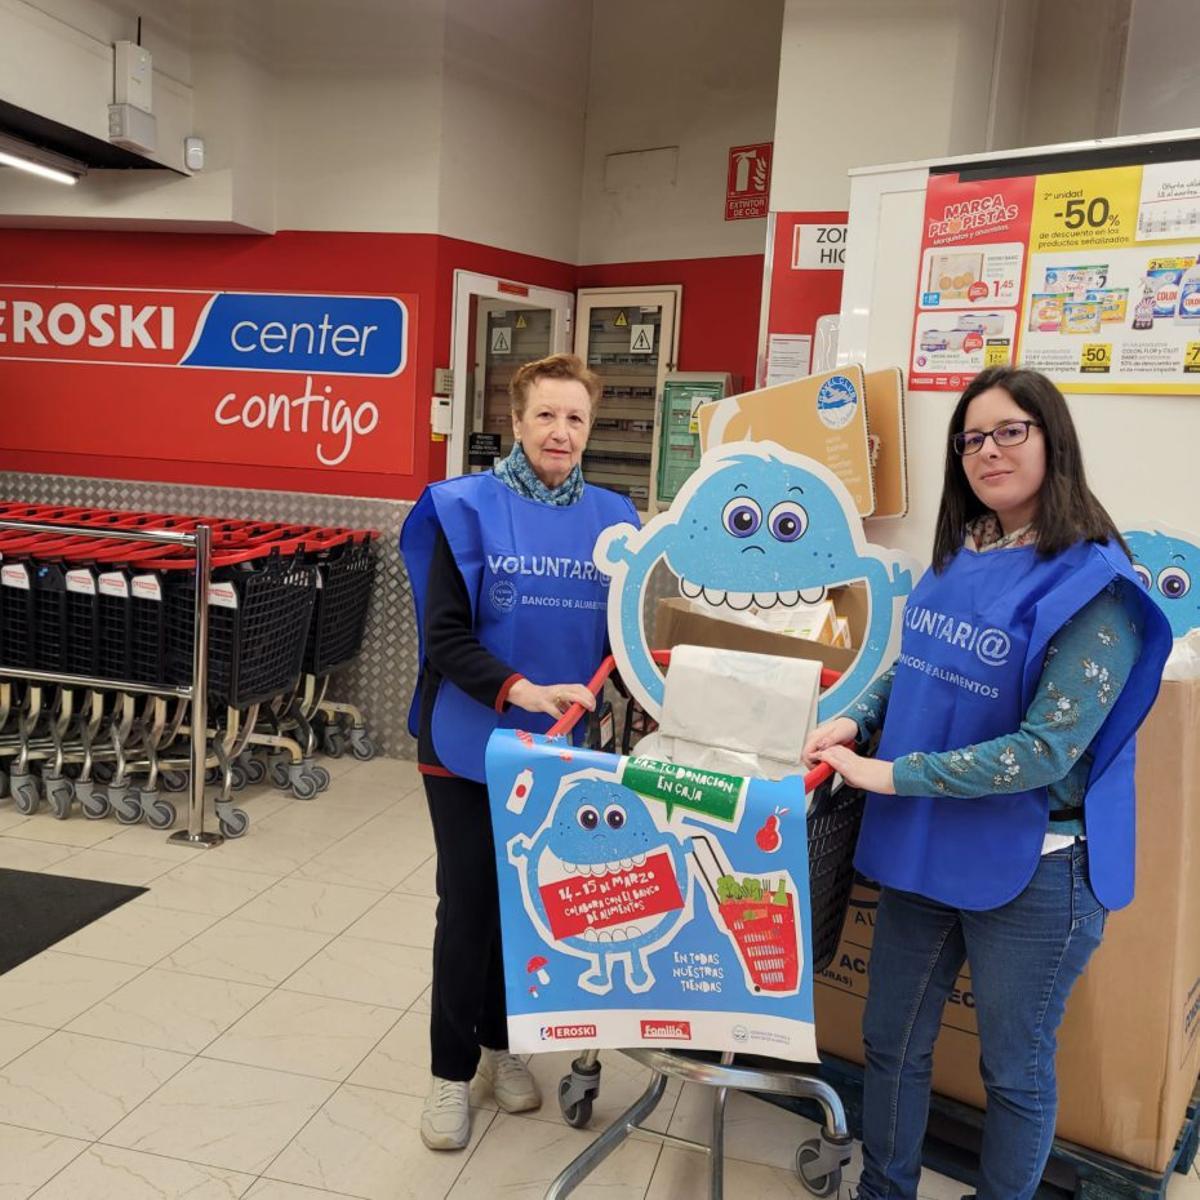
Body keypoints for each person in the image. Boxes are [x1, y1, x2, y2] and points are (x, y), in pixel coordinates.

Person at [802, 367, 1172, 1200]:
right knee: (892, 1041)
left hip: (1037, 869)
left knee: (1014, 1071)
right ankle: (884, 1189)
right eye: (971, 438)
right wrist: (856, 717)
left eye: (1011, 431)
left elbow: (1043, 751)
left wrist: (890, 773)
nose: (987, 451)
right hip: (930, 848)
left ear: (1054, 441)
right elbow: (917, 667)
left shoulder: (1096, 588)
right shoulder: (965, 554)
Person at [399, 352, 638, 1151]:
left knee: (526, 908)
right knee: (466, 906)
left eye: (575, 417)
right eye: (546, 415)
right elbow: (441, 639)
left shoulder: (616, 520)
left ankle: (502, 1051)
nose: (560, 431)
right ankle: (446, 1073)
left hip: (561, 753)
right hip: (470, 741)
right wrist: (520, 690)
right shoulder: (463, 507)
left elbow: (631, 636)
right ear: (516, 420)